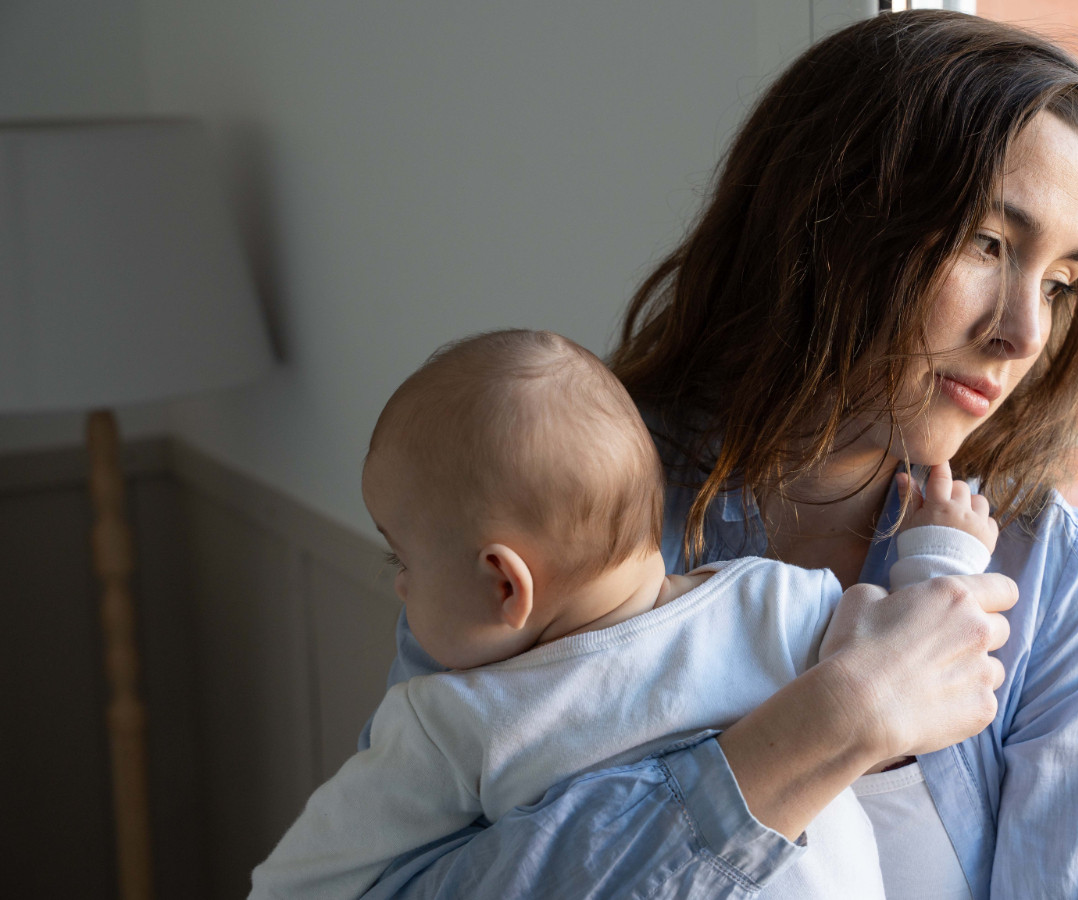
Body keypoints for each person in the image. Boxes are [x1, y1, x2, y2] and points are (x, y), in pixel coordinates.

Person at [361, 10, 1078, 899]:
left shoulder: (1051, 586)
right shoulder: (544, 496)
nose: (1022, 333)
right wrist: (835, 723)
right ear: (831, 217)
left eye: (1060, 284)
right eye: (988, 244)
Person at [253, 329, 997, 900]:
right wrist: (940, 553)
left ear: (505, 584)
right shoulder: (774, 601)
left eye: (402, 562)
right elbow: (918, 651)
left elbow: (301, 886)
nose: (401, 590)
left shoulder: (452, 722)